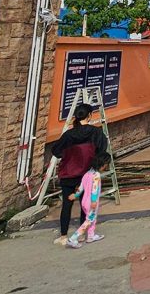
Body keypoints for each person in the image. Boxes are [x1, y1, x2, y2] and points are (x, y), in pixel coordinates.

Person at [50, 102, 109, 245]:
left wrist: (69, 156)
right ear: (89, 116)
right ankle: (83, 233)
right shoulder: (96, 133)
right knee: (85, 203)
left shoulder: (68, 135)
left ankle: (63, 235)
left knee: (67, 204)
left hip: (68, 172)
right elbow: (102, 151)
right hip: (87, 174)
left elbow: (56, 150)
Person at [65, 152, 109, 249]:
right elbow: (95, 189)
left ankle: (91, 235)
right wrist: (94, 201)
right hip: (91, 202)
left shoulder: (87, 174)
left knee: (91, 219)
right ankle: (73, 238)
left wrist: (75, 195)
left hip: (84, 201)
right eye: (106, 165)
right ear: (102, 164)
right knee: (89, 220)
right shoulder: (96, 175)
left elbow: (81, 188)